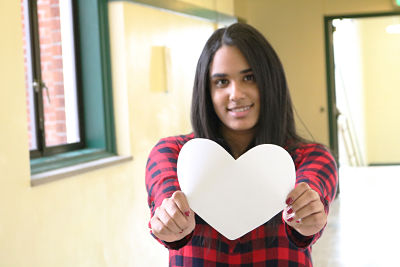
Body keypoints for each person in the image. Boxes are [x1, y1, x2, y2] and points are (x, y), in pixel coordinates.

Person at [145, 22, 337, 266]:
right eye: (222, 82)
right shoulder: (173, 154)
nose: (235, 93)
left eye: (249, 77)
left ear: (270, 82)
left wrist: (308, 214)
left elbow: (311, 195)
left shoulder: (310, 157)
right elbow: (166, 198)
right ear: (207, 91)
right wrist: (169, 221)